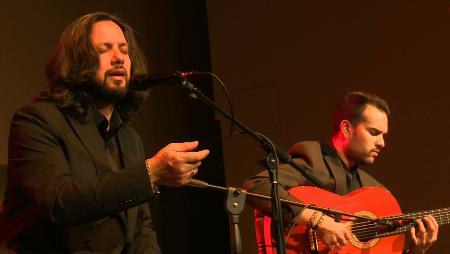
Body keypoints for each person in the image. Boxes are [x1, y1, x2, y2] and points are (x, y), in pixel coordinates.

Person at [0, 12, 209, 253]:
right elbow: (61, 203)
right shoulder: (36, 121)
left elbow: (141, 227)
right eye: (105, 49)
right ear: (77, 61)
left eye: (124, 49)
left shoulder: (129, 139)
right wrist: (151, 171)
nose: (119, 57)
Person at [244, 91, 439, 254]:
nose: (382, 143)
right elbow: (255, 186)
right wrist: (318, 220)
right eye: (373, 132)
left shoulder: (375, 191)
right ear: (346, 128)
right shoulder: (314, 158)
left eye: (383, 135)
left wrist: (413, 252)